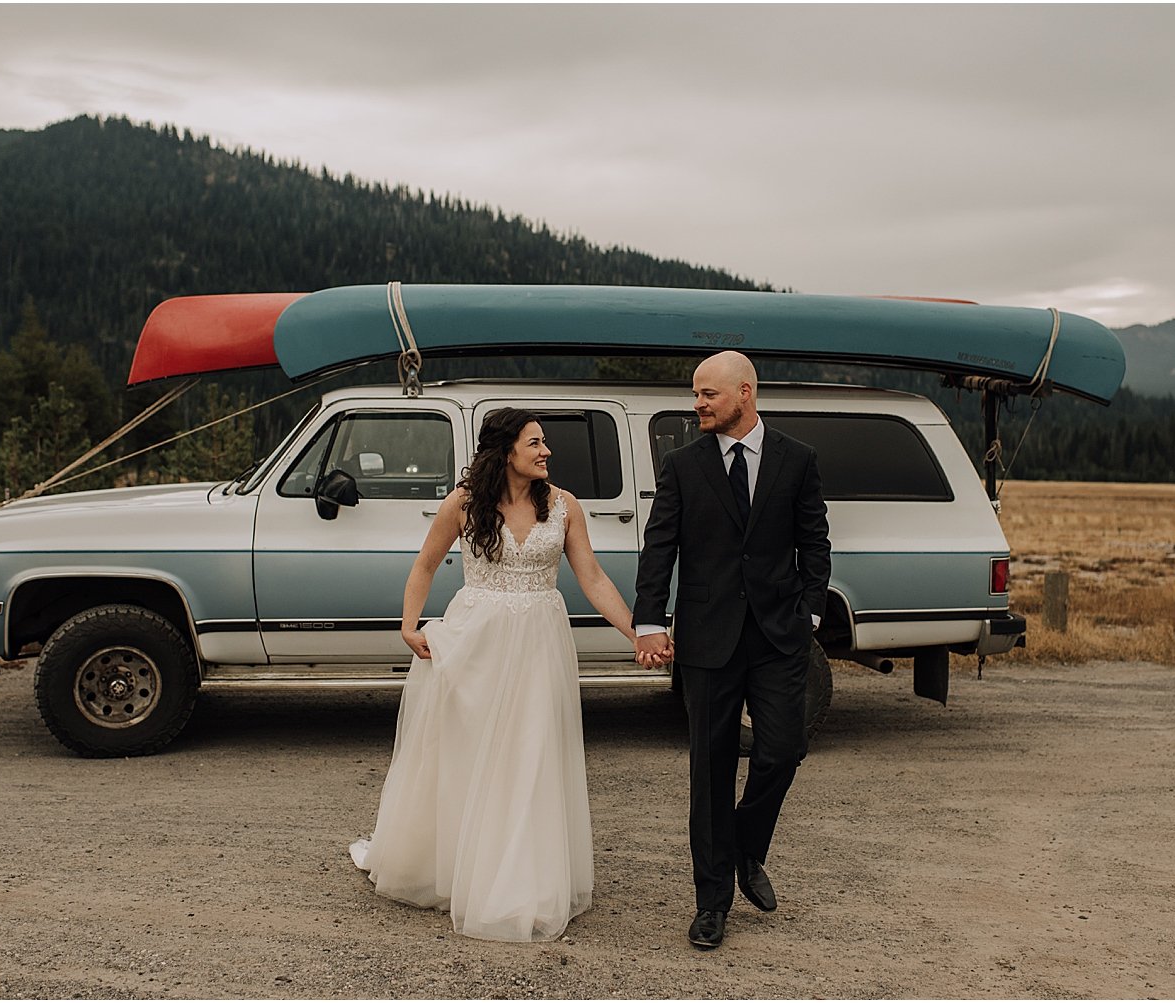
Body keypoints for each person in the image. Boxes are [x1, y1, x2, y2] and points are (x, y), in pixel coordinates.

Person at [350, 407, 637, 942]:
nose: (546, 451)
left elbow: (592, 578)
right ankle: (458, 865)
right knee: (472, 754)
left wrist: (636, 633)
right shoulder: (464, 503)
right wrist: (410, 625)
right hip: (476, 642)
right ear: (506, 452)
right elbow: (425, 565)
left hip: (539, 644)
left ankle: (519, 879)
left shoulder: (564, 506)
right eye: (535, 443)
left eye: (544, 442)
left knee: (531, 755)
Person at [632, 351, 832, 950]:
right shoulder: (682, 466)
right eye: (696, 395)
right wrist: (648, 619)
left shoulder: (798, 460)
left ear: (744, 393)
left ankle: (747, 848)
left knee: (783, 748)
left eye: (708, 395)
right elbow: (659, 546)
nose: (698, 405)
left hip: (778, 637)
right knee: (712, 770)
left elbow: (813, 538)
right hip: (708, 639)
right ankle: (712, 904)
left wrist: (812, 609)